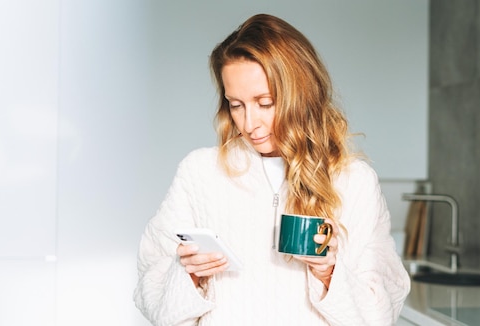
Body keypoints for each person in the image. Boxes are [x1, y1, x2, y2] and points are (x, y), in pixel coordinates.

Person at [134, 13, 410, 325]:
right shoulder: (199, 172)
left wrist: (329, 272)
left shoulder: (354, 181)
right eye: (236, 105)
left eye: (265, 103)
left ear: (300, 95)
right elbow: (149, 289)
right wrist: (190, 277)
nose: (250, 124)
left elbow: (381, 313)